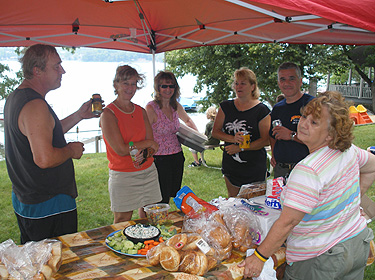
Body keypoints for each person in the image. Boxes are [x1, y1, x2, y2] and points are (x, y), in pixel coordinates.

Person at [239, 91, 375, 280]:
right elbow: (372, 166)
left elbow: (288, 222)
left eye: (314, 122)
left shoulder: (308, 170)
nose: (303, 123)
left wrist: (259, 257)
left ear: (331, 135)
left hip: (320, 259)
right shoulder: (349, 151)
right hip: (355, 244)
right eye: (305, 116)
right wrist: (354, 201)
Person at [4, 44, 98, 244]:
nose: (62, 71)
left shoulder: (16, 97)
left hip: (27, 199)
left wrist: (79, 115)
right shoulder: (35, 105)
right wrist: (71, 150)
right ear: (37, 71)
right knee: (59, 264)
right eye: (56, 66)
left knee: (37, 264)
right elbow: (44, 159)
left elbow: (43, 133)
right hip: (49, 203)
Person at [100, 65, 162, 223]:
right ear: (116, 85)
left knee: (152, 218)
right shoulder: (108, 114)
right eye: (125, 83)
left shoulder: (140, 111)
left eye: (133, 84)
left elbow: (153, 146)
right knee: (122, 220)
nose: (130, 88)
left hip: (148, 171)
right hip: (123, 175)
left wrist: (142, 149)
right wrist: (146, 143)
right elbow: (120, 149)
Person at [212, 67, 271, 197]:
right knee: (234, 203)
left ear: (252, 86)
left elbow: (265, 140)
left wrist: (241, 148)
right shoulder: (225, 106)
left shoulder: (262, 110)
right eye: (236, 83)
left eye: (243, 83)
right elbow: (215, 132)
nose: (238, 86)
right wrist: (233, 139)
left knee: (255, 206)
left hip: (254, 167)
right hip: (231, 166)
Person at [146, 70, 198, 204]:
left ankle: (164, 219)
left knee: (172, 193)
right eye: (164, 86)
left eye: (171, 86)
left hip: (176, 156)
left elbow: (188, 120)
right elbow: (144, 132)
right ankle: (152, 220)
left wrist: (198, 138)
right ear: (158, 88)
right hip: (158, 158)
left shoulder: (176, 106)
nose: (168, 89)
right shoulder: (151, 108)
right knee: (159, 197)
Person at [269, 62, 314, 179]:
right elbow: (272, 135)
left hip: (306, 169)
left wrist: (291, 135)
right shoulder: (277, 108)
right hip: (281, 170)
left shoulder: (313, 105)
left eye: (291, 79)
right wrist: (274, 154)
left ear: (300, 81)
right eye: (282, 79)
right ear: (278, 83)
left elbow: (321, 140)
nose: (287, 83)